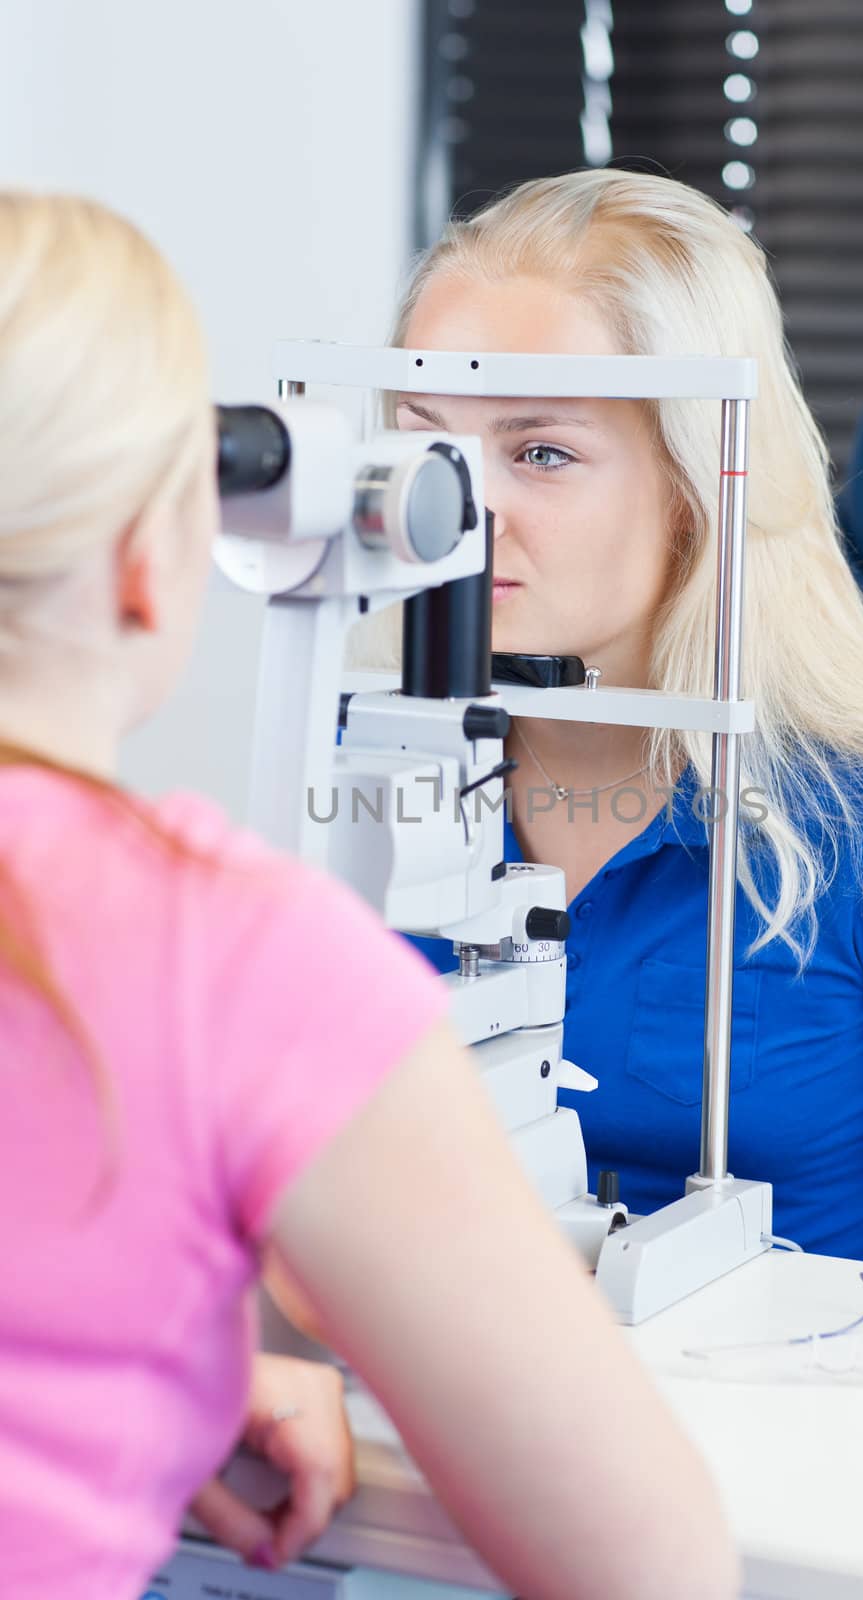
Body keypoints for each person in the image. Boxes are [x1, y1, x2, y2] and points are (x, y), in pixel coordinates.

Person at [0, 191, 740, 1600]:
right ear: (156, 564)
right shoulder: (222, 950)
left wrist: (168, 1366)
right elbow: (653, 1566)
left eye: (541, 450)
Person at [381, 168, 863, 1285]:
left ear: (693, 488)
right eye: (424, 440)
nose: (457, 507)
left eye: (540, 452)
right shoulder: (372, 785)